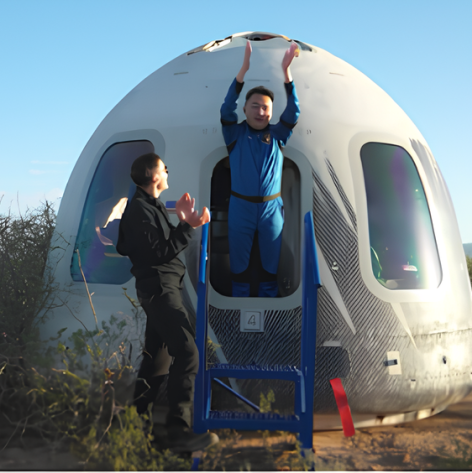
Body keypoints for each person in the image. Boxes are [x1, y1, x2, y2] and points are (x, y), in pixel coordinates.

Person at [115, 153, 216, 452]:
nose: (168, 171)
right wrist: (190, 225)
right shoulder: (139, 211)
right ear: (153, 175)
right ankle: (178, 432)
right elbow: (160, 252)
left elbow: (157, 245)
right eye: (164, 168)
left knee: (156, 362)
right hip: (161, 291)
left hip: (162, 289)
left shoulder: (150, 206)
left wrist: (184, 220)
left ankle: (136, 431)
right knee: (187, 354)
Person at [220, 40, 300, 297]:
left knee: (270, 266)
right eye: (254, 105)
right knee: (240, 267)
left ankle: (269, 318)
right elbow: (225, 109)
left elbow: (294, 112)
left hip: (271, 208)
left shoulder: (278, 135)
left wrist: (287, 73)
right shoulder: (234, 133)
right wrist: (243, 71)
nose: (260, 111)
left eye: (266, 107)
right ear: (245, 109)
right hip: (240, 206)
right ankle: (236, 312)